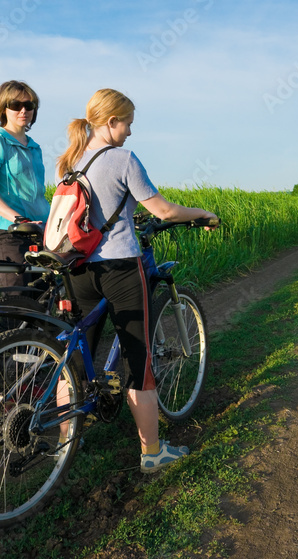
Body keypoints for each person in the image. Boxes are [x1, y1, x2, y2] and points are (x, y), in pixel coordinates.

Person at [55, 88, 218, 472]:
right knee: (138, 362)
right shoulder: (123, 159)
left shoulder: (71, 160)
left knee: (76, 358)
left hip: (78, 270)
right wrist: (202, 213)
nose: (129, 131)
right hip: (120, 271)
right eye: (127, 122)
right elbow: (161, 209)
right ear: (111, 122)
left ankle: (63, 443)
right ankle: (152, 451)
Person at [0, 80, 50, 287]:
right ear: (4, 108)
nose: (23, 110)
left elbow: (37, 194)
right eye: (16, 105)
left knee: (43, 296)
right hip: (12, 233)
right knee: (15, 299)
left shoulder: (34, 147)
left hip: (41, 231)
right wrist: (19, 220)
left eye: (29, 105)